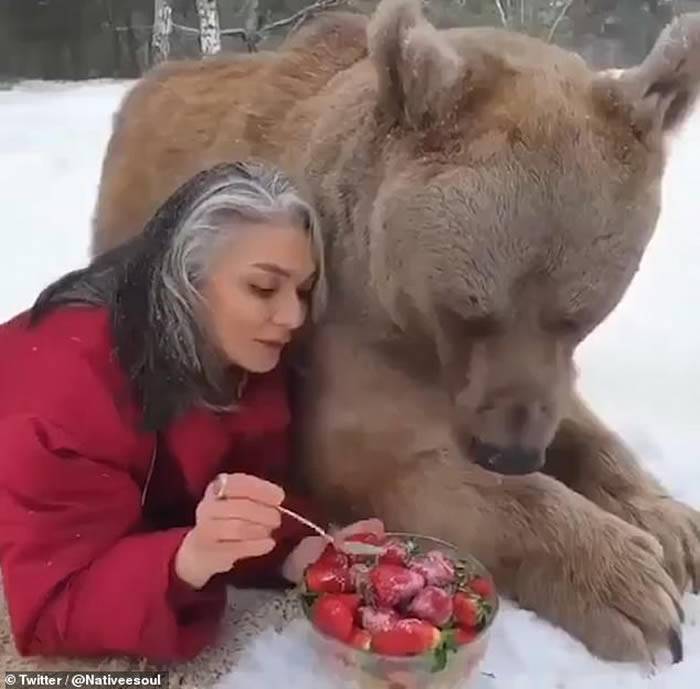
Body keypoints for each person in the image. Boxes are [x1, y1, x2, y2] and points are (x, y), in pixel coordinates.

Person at [0, 161, 383, 662]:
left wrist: (295, 549)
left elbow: (234, 474)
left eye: (303, 290)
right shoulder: (68, 398)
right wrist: (186, 559)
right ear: (186, 280)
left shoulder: (243, 348)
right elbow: (55, 607)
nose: (293, 316)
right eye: (264, 288)